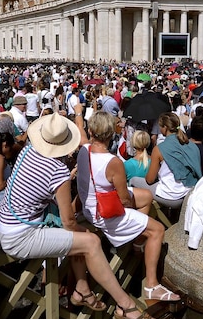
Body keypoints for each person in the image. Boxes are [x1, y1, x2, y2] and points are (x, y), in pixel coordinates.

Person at [0, 104, 159, 319]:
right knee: (90, 242)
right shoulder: (58, 172)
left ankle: (82, 289)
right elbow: (69, 222)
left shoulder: (27, 151)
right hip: (21, 235)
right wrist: (89, 231)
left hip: (6, 223)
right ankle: (125, 305)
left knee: (78, 242)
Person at [76, 111, 179, 303]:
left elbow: (81, 134)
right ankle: (151, 285)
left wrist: (78, 113)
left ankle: (138, 240)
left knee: (146, 196)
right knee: (157, 230)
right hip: (105, 214)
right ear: (112, 133)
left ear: (91, 131)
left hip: (89, 208)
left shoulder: (84, 150)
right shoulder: (113, 162)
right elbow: (123, 200)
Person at [131, 112, 201, 208]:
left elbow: (150, 180)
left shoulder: (160, 148)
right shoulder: (191, 145)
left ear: (165, 127)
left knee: (133, 180)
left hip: (172, 195)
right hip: (190, 190)